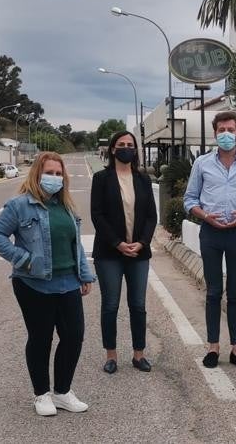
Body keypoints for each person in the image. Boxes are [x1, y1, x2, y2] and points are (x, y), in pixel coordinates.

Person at [0, 152, 95, 417]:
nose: (54, 178)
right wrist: (22, 260)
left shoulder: (67, 206)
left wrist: (84, 274)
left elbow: (75, 244)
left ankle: (62, 392)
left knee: (73, 337)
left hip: (68, 281)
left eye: (59, 174)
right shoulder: (19, 205)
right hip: (33, 284)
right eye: (49, 173)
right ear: (37, 174)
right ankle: (41, 394)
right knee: (40, 339)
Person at [183, 110, 236, 370]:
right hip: (211, 233)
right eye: (221, 131)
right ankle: (213, 347)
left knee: (235, 293)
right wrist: (206, 216)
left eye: (230, 130)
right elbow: (189, 199)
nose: (226, 135)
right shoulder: (202, 164)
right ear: (215, 133)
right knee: (213, 292)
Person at [90, 131, 157, 375]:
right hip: (109, 253)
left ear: (135, 150)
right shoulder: (101, 179)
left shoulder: (143, 179)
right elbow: (97, 215)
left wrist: (141, 242)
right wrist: (118, 243)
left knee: (138, 305)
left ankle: (139, 355)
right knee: (110, 305)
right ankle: (111, 356)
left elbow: (151, 216)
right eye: (121, 144)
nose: (126, 148)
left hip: (139, 252)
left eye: (130, 145)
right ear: (112, 149)